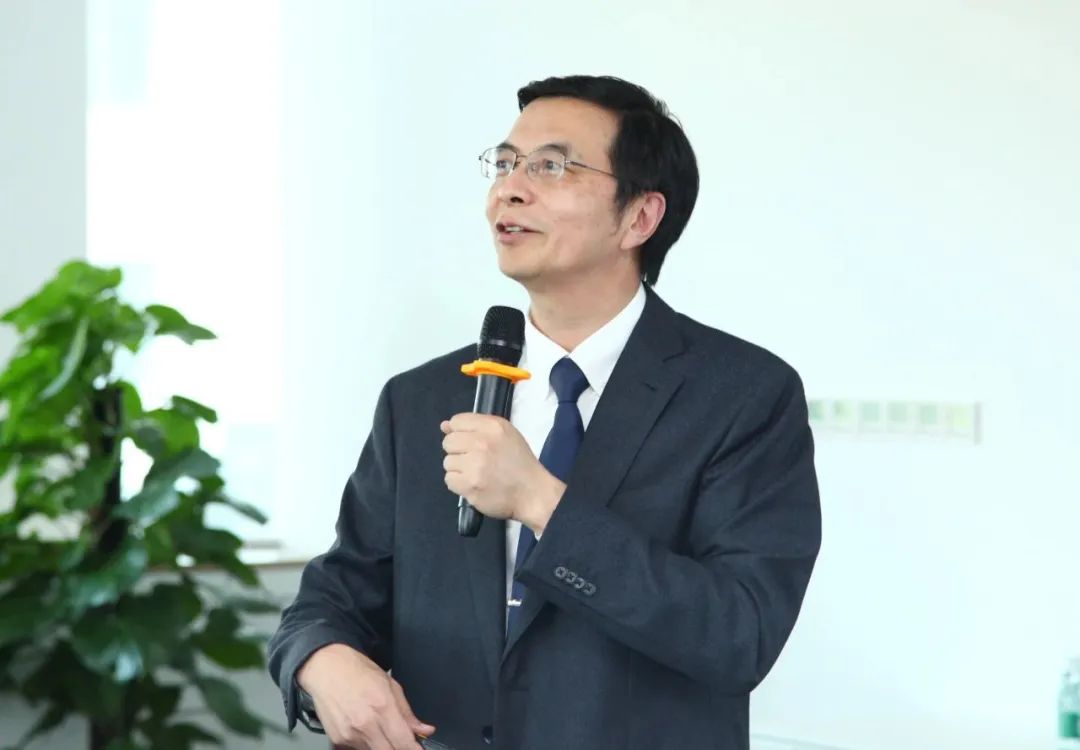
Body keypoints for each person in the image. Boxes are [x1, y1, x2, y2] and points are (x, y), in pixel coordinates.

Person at [268, 74, 821, 750]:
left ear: (639, 218)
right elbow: (332, 599)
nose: (510, 188)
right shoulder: (422, 399)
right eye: (505, 164)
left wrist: (540, 502)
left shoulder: (742, 394)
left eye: (551, 167)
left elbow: (739, 634)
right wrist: (321, 660)